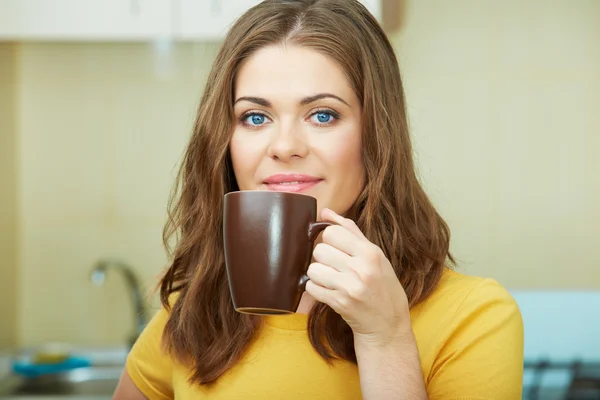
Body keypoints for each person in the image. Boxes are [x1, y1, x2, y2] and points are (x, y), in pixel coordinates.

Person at [113, 0, 524, 399]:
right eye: (256, 117)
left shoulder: (474, 317)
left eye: (323, 115)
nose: (285, 146)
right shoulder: (193, 311)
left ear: (375, 135)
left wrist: (385, 338)